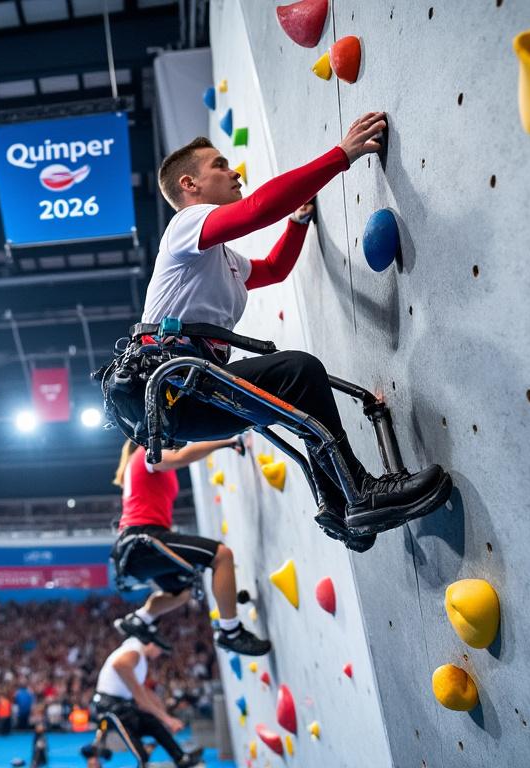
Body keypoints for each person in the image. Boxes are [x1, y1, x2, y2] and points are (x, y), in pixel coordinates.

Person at [133, 112, 452, 548]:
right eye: (220, 166)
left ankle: (342, 509)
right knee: (298, 372)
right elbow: (256, 210)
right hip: (178, 393)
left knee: (297, 394)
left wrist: (299, 222)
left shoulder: (219, 259)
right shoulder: (185, 228)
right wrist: (342, 156)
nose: (234, 171)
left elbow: (273, 269)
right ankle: (361, 494)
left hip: (192, 391)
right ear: (189, 185)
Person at [110, 439, 270, 656]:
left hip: (139, 547)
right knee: (221, 556)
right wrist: (227, 441)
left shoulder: (137, 461)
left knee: (182, 593)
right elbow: (179, 458)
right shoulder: (147, 452)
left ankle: (140, 619)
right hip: (144, 540)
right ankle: (231, 632)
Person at [89, 638, 202, 768]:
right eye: (159, 649)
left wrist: (166, 718)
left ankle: (180, 758)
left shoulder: (140, 660)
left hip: (124, 707)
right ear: (151, 644)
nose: (160, 653)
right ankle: (142, 757)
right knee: (140, 755)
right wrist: (168, 720)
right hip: (109, 709)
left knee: (153, 723)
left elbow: (145, 692)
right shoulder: (135, 651)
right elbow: (122, 669)